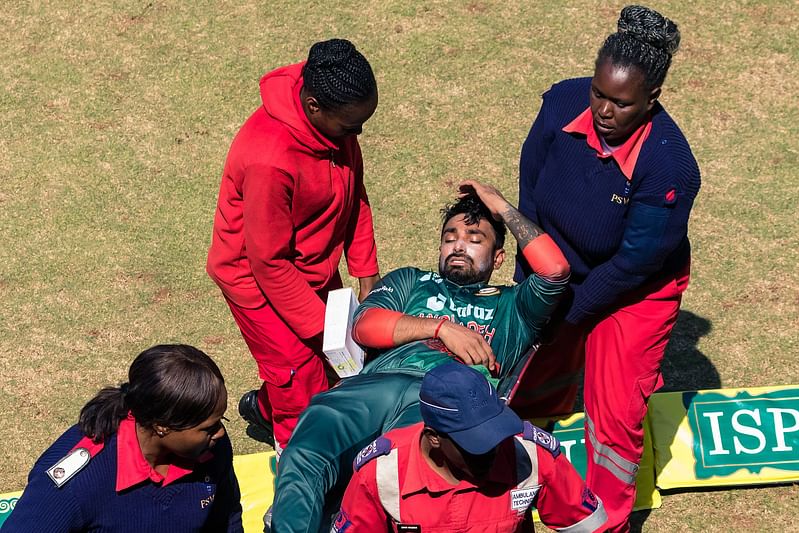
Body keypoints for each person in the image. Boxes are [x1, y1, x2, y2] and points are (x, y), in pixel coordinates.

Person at [269, 181, 571, 533]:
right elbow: (364, 326)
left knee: (408, 469)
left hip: (445, 403)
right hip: (375, 385)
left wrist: (499, 205)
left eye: (475, 238)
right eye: (450, 237)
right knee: (307, 446)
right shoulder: (412, 281)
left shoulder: (514, 306)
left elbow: (555, 271)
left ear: (499, 257)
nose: (459, 245)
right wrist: (441, 328)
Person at [512, 5, 701, 531]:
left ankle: (601, 520)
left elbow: (636, 262)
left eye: (622, 103)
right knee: (526, 368)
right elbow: (531, 185)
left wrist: (573, 311)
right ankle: (518, 459)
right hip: (560, 264)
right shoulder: (560, 102)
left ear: (651, 101)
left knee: (615, 415)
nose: (603, 110)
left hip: (636, 289)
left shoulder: (670, 167)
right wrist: (538, 276)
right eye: (599, 93)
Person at [206, 38, 381, 454]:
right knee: (300, 382)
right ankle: (298, 466)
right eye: (350, 126)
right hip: (258, 280)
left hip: (310, 265)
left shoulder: (333, 124)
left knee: (336, 369)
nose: (355, 135)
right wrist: (329, 332)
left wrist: (366, 275)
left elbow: (354, 192)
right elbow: (268, 263)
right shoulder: (270, 158)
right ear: (314, 105)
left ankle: (264, 408)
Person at [334, 362, 607, 532]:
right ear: (434, 437)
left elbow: (587, 524)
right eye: (476, 444)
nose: (494, 450)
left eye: (497, 433)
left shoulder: (530, 453)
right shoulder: (381, 474)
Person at [2, 345, 242, 533]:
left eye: (221, 421)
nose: (220, 433)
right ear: (162, 426)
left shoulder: (211, 448)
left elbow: (226, 518)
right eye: (208, 428)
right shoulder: (77, 485)